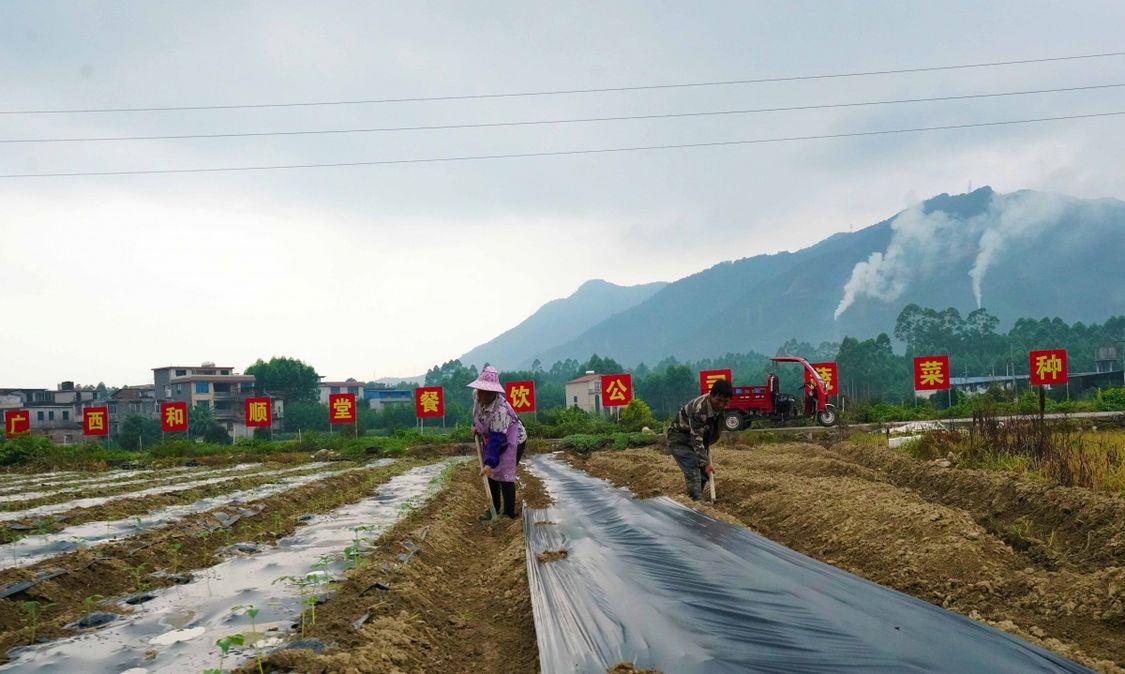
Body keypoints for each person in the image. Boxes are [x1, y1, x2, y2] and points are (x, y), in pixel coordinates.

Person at [468, 365, 528, 520]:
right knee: (491, 475)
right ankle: (494, 508)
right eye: (479, 389)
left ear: (493, 392)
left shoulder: (501, 410)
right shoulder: (477, 397)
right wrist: (477, 428)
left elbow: (496, 440)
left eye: (485, 391)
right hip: (494, 437)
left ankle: (508, 513)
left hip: (512, 439)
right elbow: (478, 417)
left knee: (504, 475)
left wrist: (489, 464)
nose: (480, 393)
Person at [666, 379, 733, 501]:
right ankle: (696, 502)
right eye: (719, 400)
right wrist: (705, 462)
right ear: (711, 395)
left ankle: (694, 498)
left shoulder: (719, 408)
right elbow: (696, 437)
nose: (722, 405)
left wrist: (705, 460)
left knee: (703, 473)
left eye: (725, 402)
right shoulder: (700, 409)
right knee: (693, 467)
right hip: (679, 437)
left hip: (698, 438)